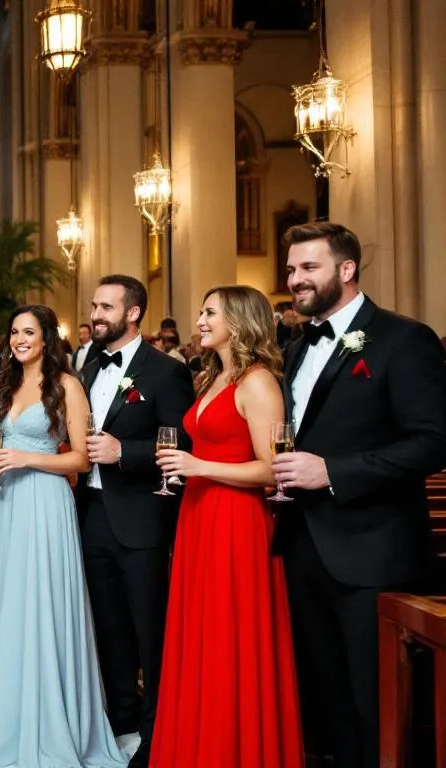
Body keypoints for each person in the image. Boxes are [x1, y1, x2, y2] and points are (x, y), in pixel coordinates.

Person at [271, 222, 446, 768]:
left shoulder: (402, 338)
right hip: (303, 547)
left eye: (309, 268)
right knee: (326, 704)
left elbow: (433, 442)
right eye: (293, 269)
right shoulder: (296, 348)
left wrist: (333, 472)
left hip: (372, 552)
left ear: (346, 270)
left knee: (375, 704)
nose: (295, 280)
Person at [0, 304, 125, 768]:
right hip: (5, 504)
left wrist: (25, 458)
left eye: (28, 331)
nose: (18, 339)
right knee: (6, 604)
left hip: (45, 504)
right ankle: (3, 718)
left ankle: (49, 722)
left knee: (42, 604)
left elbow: (81, 460)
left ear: (47, 336)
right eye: (14, 331)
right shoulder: (3, 383)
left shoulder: (68, 385)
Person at [151, 285, 304, 767]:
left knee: (229, 641)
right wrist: (191, 470)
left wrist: (199, 467)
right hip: (198, 517)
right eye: (200, 311)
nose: (199, 320)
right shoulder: (212, 377)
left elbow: (272, 469)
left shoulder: (258, 382)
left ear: (238, 320)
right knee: (199, 640)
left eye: (209, 312)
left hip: (236, 523)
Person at [77, 274, 195, 768]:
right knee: (108, 625)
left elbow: (184, 446)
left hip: (142, 516)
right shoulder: (86, 364)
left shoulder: (165, 371)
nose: (96, 314)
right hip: (91, 513)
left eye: (106, 307)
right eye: (95, 305)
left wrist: (126, 452)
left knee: (150, 629)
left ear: (133, 314)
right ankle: (120, 714)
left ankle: (154, 730)